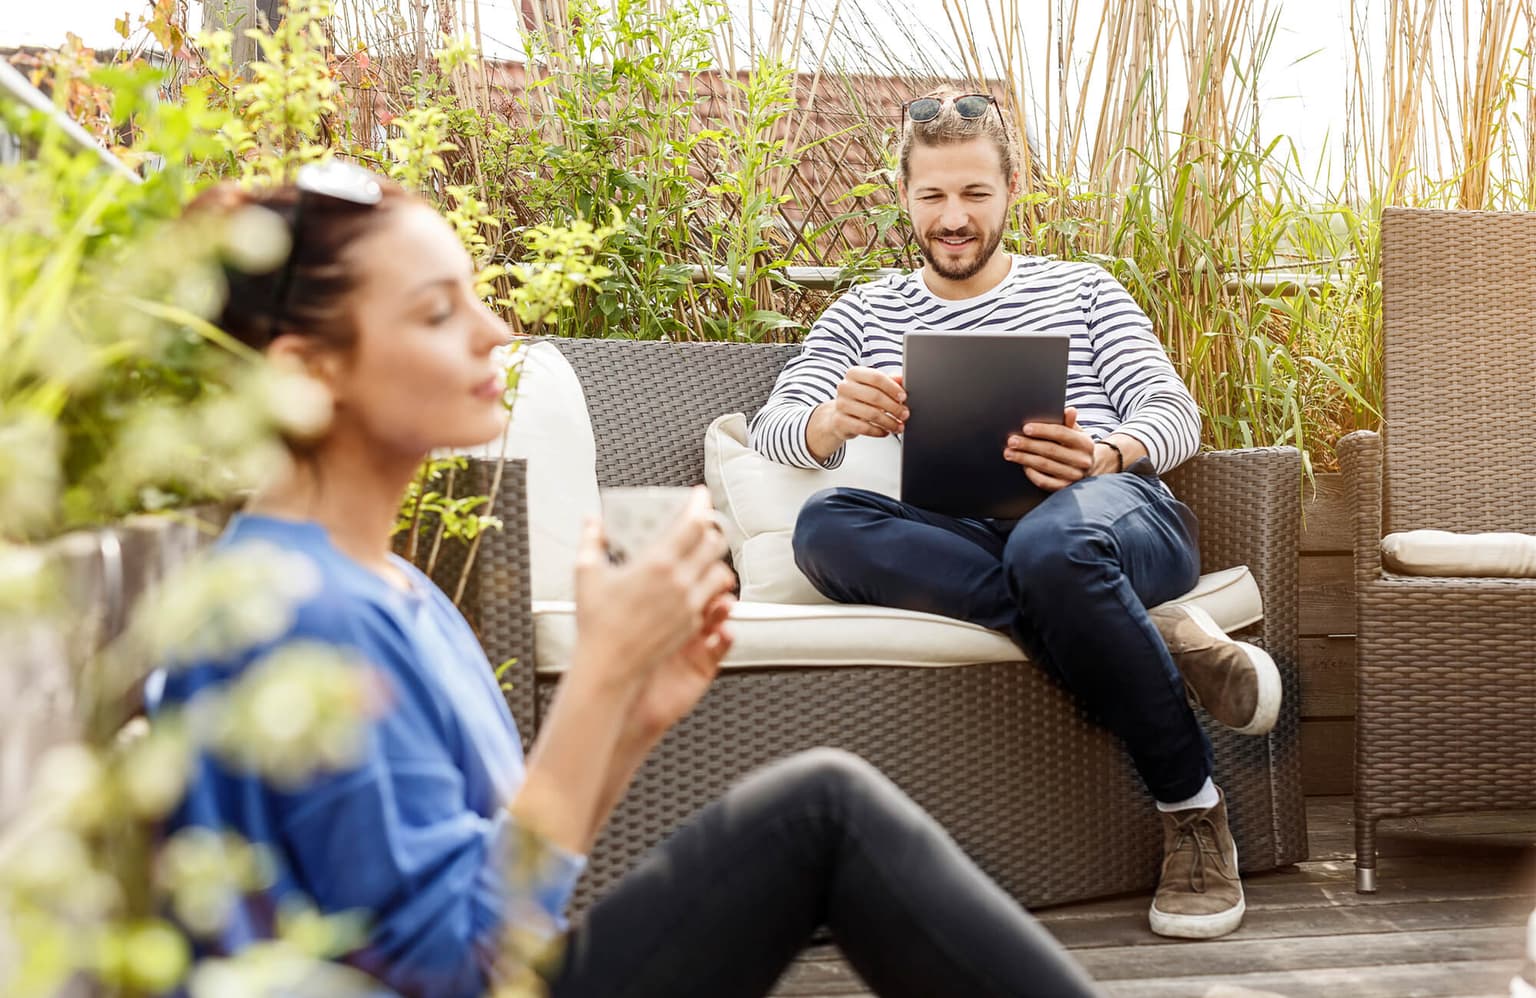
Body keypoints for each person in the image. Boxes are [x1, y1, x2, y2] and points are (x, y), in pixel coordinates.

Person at [148, 161, 1103, 998]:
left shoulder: (384, 583)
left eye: (475, 295)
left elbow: (503, 883)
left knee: (820, 805)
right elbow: (458, 963)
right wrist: (597, 676)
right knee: (822, 810)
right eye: (438, 311)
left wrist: (629, 713)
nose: (494, 330)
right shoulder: (302, 617)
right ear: (306, 373)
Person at [748, 88, 1283, 941]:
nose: (952, 218)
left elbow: (1175, 414)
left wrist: (1104, 455)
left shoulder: (1084, 291)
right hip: (963, 534)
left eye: (973, 195)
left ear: (1012, 188)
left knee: (1053, 546)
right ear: (903, 195)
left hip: (1113, 518)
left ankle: (1194, 812)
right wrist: (830, 420)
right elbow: (776, 429)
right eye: (933, 197)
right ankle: (1165, 643)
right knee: (825, 527)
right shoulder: (862, 313)